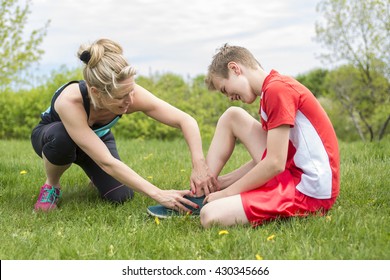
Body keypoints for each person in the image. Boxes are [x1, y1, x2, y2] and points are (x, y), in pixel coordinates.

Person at [31, 38, 217, 213]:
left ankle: (95, 177)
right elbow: (106, 161)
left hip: (96, 139)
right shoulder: (70, 101)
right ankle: (52, 184)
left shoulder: (130, 94)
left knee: (121, 196)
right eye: (121, 96)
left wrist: (199, 164)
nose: (130, 100)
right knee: (61, 137)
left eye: (131, 91)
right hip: (53, 137)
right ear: (96, 92)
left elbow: (185, 120)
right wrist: (158, 194)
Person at [196, 44, 340, 228]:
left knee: (210, 215)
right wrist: (221, 184)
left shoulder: (277, 90)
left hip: (309, 190)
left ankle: (208, 202)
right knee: (233, 115)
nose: (229, 97)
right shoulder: (270, 91)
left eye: (224, 89)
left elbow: (274, 163)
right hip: (292, 171)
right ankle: (204, 190)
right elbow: (266, 160)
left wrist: (227, 194)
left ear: (235, 68)